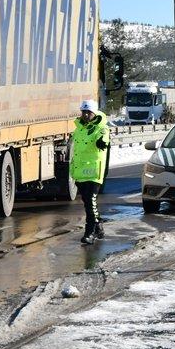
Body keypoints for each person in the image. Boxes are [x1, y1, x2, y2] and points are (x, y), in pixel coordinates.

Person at [70, 99, 109, 244]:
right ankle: (98, 227)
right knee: (87, 202)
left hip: (93, 172)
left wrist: (102, 141)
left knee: (91, 202)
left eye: (89, 112)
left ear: (95, 113)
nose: (86, 115)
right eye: (84, 112)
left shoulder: (101, 128)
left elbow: (104, 137)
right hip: (80, 172)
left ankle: (90, 232)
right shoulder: (79, 129)